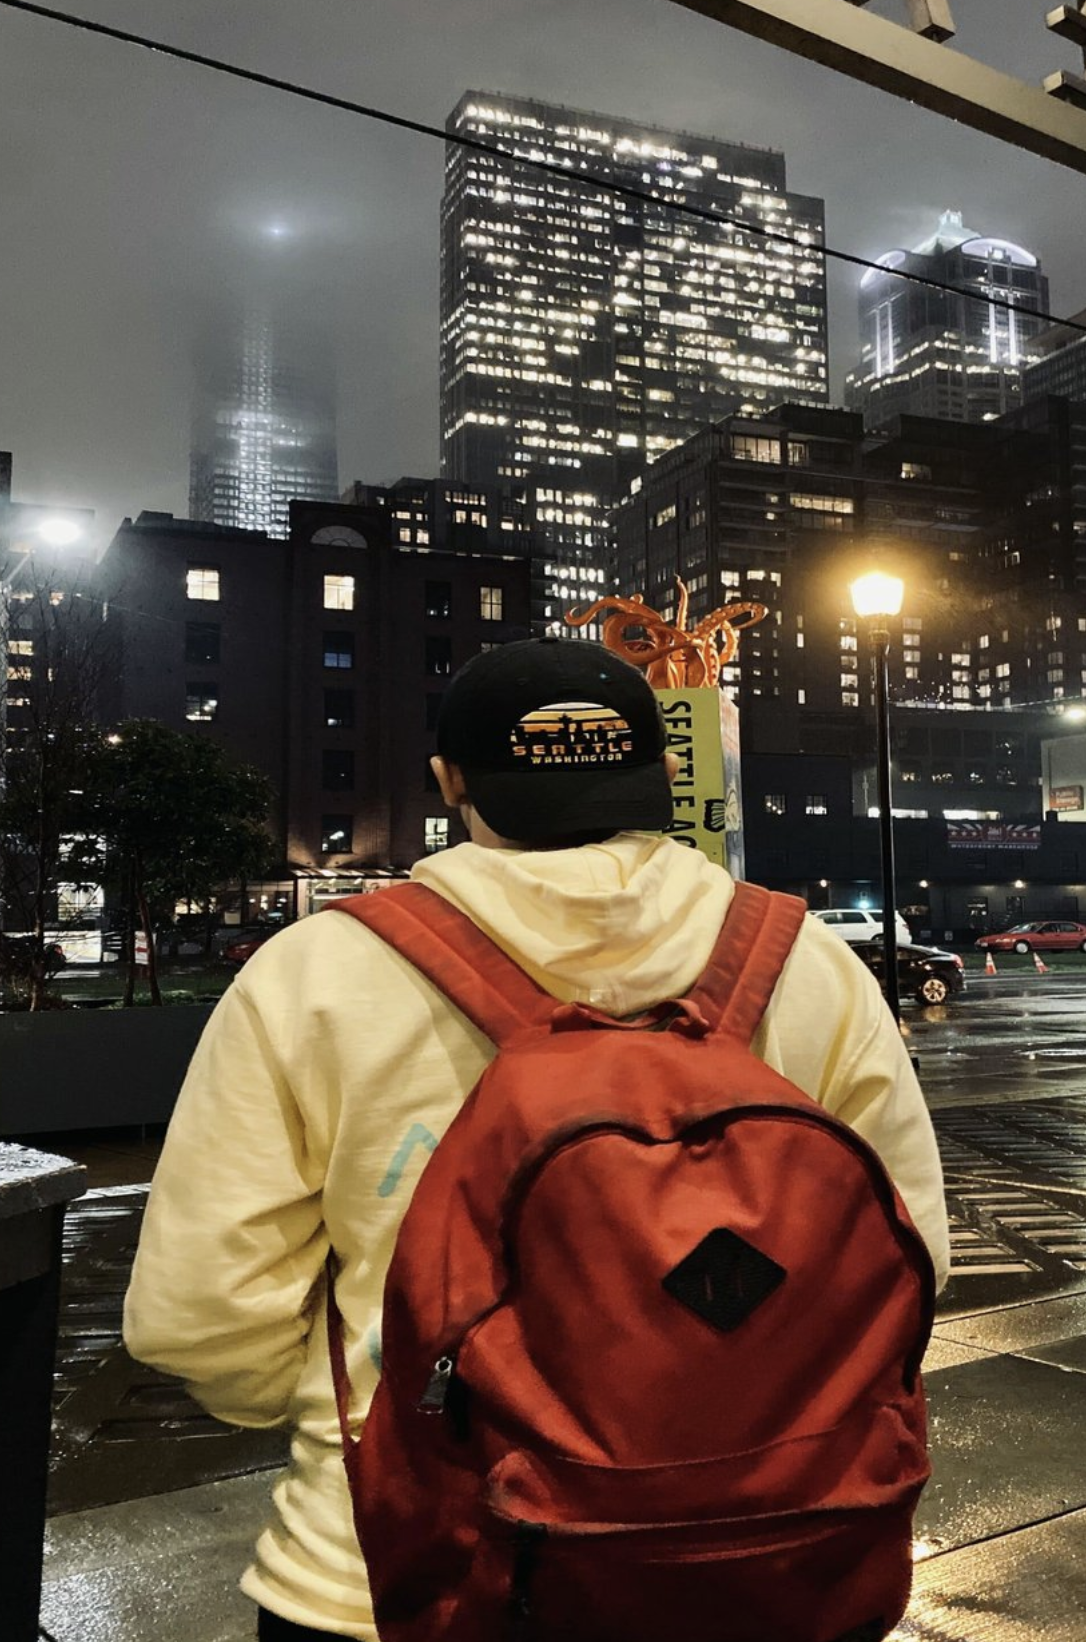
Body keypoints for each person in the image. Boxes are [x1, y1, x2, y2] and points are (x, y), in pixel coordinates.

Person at [124, 638, 950, 1641]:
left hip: (394, 1575)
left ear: (449, 780)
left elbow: (201, 1311)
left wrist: (359, 1399)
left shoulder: (317, 972)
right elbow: (913, 1262)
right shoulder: (807, 962)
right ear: (662, 774)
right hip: (773, 1565)